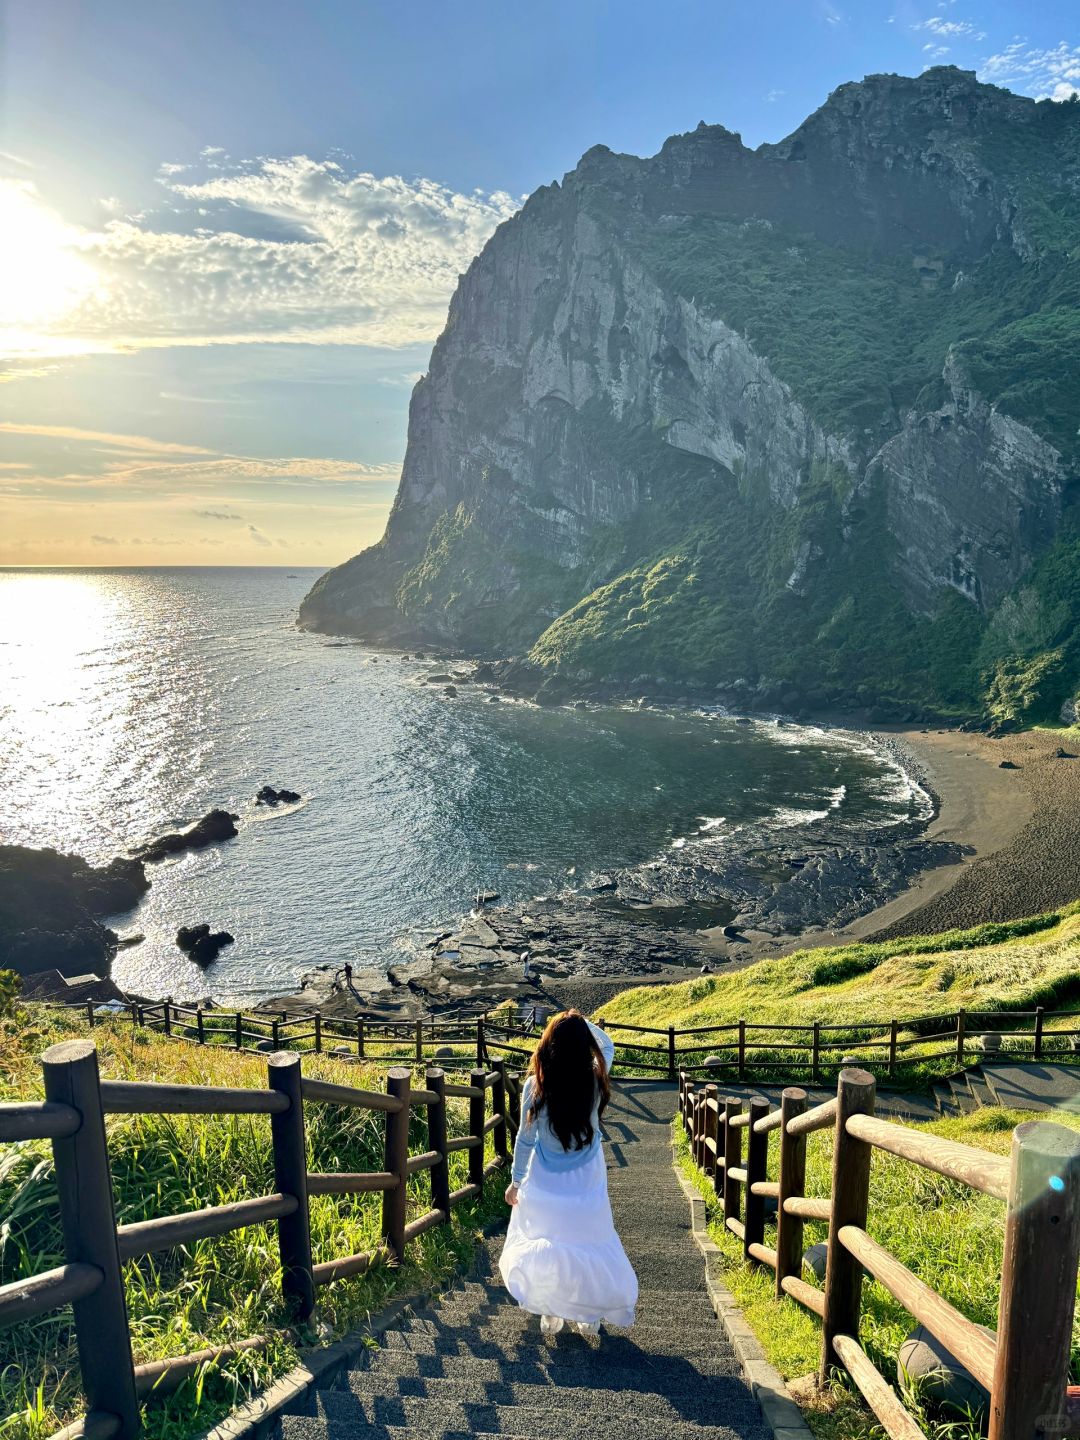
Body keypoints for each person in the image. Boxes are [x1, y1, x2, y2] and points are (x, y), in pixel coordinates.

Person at [498, 1010, 637, 1337]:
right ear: (583, 1046)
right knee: (587, 1242)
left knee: (550, 1244)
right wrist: (578, 1022)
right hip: (586, 1179)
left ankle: (550, 1309)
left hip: (545, 1182)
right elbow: (608, 1043)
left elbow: (524, 1138)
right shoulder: (594, 1079)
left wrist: (516, 1181)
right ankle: (588, 1316)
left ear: (549, 1045)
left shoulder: (536, 1084)